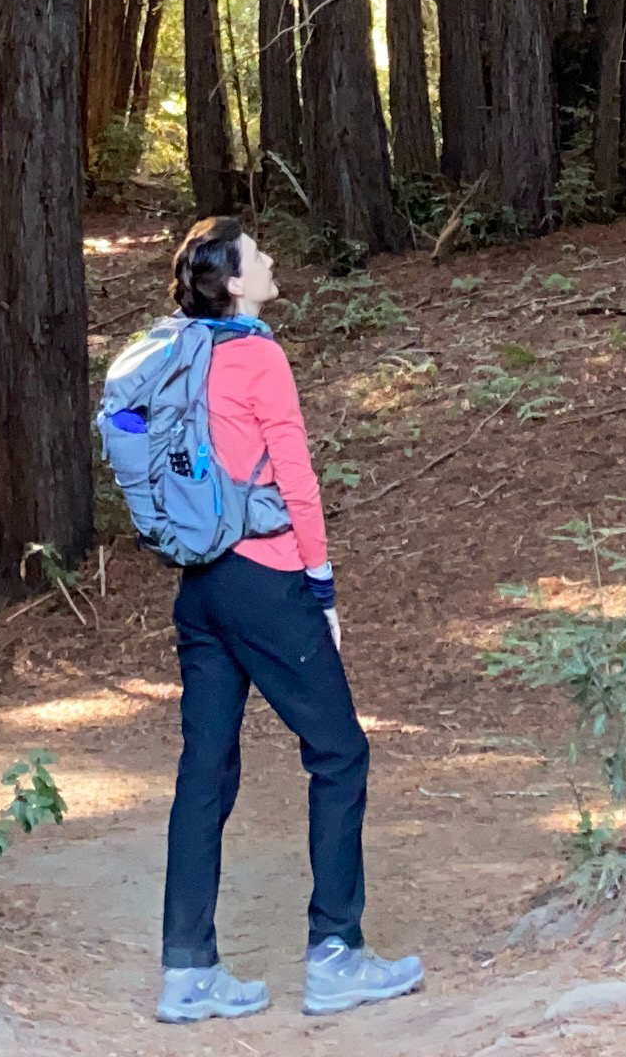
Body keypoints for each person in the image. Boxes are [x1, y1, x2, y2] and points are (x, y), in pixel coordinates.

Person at [152, 214, 425, 1025]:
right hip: (265, 578)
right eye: (256, 254)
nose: (270, 259)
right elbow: (296, 477)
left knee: (205, 771)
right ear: (236, 283)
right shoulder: (257, 356)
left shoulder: (178, 352)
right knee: (340, 753)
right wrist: (322, 585)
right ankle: (336, 953)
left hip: (200, 585)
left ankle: (186, 972)